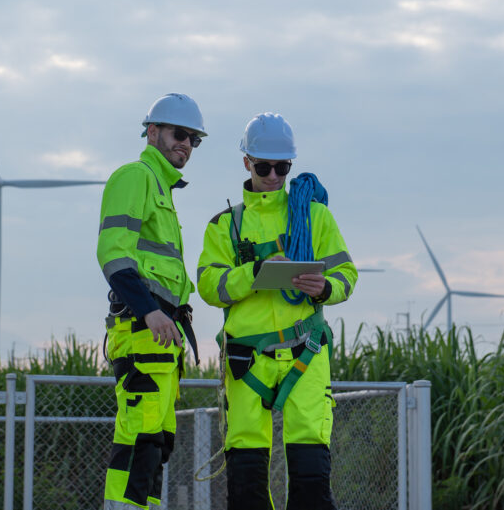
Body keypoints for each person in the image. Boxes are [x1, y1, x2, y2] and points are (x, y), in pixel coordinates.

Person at [197, 112, 358, 510]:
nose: (273, 176)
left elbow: (347, 274)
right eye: (265, 166)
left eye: (282, 167)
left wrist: (326, 288)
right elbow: (208, 286)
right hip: (246, 362)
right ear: (247, 162)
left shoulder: (314, 216)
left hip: (306, 352)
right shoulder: (224, 227)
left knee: (311, 477)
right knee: (246, 483)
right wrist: (253, 273)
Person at [97, 93, 206, 508]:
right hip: (144, 332)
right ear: (152, 131)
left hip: (159, 338)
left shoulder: (162, 189)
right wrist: (149, 310)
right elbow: (113, 253)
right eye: (180, 134)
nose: (186, 145)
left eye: (193, 140)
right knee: (138, 443)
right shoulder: (135, 176)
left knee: (156, 446)